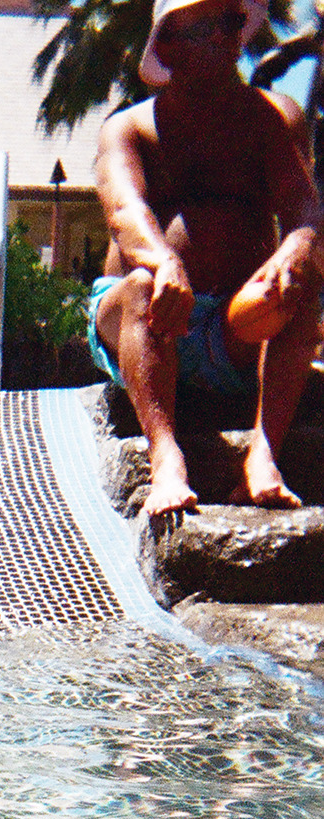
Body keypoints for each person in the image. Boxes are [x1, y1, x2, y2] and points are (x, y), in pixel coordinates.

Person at [90, 0, 324, 516]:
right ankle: (166, 457)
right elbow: (125, 211)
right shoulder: (128, 128)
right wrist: (164, 262)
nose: (222, 36)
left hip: (235, 324)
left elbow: (304, 209)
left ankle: (264, 455)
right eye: (204, 27)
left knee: (302, 284)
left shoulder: (273, 117)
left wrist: (295, 247)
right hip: (145, 315)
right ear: (167, 46)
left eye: (230, 23)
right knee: (142, 285)